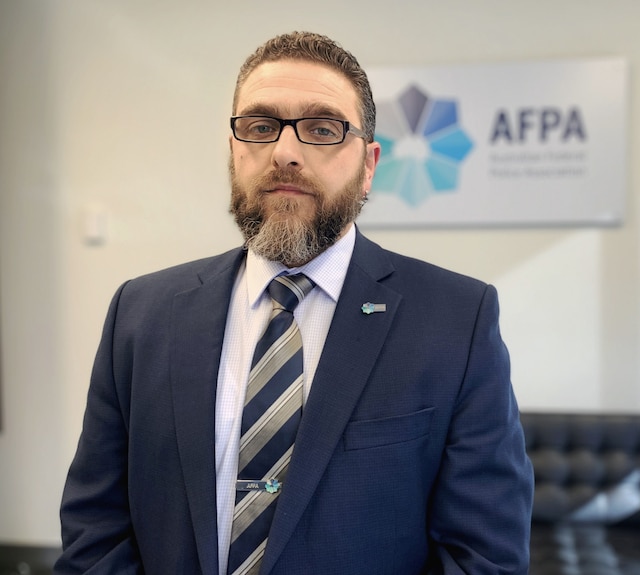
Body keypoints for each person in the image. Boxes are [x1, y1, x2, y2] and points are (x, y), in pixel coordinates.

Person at [56, 31, 533, 575]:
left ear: (369, 165)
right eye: (260, 127)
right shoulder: (140, 314)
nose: (285, 152)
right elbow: (95, 530)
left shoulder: (456, 320)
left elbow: (483, 556)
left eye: (322, 129)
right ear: (234, 152)